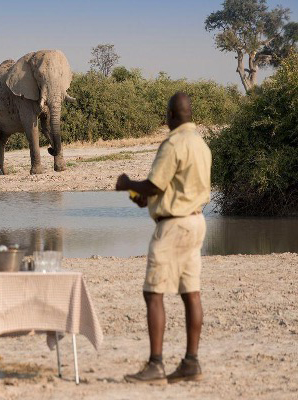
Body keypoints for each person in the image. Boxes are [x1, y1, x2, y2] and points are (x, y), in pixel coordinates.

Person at [116, 92, 211, 384]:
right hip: (196, 222)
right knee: (190, 292)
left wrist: (127, 184)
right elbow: (168, 188)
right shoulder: (201, 144)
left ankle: (156, 364)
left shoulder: (173, 143)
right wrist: (142, 197)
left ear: (170, 115)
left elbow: (154, 185)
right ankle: (191, 362)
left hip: (172, 227)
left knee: (153, 292)